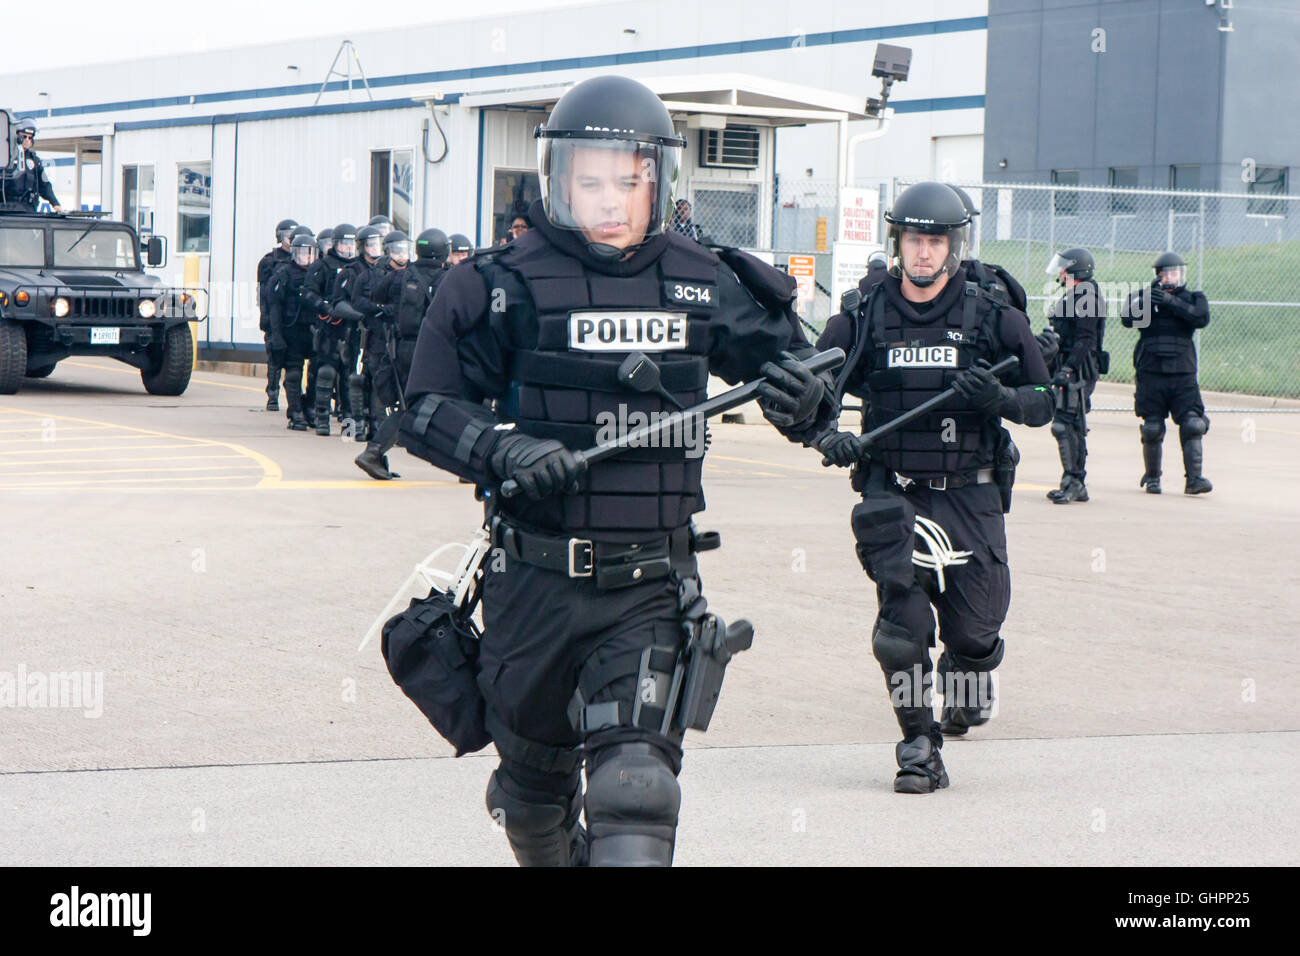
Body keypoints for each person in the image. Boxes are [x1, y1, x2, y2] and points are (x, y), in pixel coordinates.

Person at [397, 74, 832, 866]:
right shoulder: (497, 283)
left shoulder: (705, 280)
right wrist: (501, 449)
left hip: (648, 592)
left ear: (657, 181)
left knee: (637, 793)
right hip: (531, 592)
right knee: (533, 807)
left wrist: (806, 399)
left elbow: (803, 380)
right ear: (556, 180)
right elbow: (424, 408)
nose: (609, 199)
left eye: (627, 181)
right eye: (589, 181)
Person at [814, 181, 1053, 793]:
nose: (924, 252)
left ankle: (969, 679)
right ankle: (919, 745)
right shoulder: (863, 314)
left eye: (936, 240)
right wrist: (826, 436)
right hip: (893, 491)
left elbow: (1045, 400)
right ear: (897, 242)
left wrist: (997, 397)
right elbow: (810, 391)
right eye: (914, 239)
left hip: (970, 493)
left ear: (955, 245)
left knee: (974, 632)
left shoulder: (994, 315)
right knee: (901, 628)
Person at [357, 227, 450, 479]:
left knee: (410, 404)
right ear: (444, 251)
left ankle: (375, 452)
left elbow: (377, 295)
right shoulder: (447, 278)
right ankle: (373, 452)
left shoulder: (402, 275)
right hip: (433, 350)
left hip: (402, 349)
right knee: (435, 404)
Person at [1121, 252, 1212, 495]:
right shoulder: (1144, 297)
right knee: (1151, 427)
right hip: (1151, 371)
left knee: (1193, 424)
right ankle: (1153, 479)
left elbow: (1201, 318)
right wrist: (1149, 300)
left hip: (1183, 373)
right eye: (1167, 272)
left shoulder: (1193, 298)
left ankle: (1194, 480)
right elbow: (1127, 319)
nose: (1172, 276)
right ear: (1159, 275)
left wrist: (1172, 303)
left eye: (1176, 272)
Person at [1043, 248, 1106, 503]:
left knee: (1066, 424)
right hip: (1070, 365)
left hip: (1079, 369)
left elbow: (1085, 339)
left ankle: (1074, 481)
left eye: (1064, 266)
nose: (1060, 271)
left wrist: (1068, 369)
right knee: (1070, 425)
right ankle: (1073, 481)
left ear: (1076, 269)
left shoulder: (1086, 294)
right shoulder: (1077, 294)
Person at [353, 229, 411, 479]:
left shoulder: (411, 273)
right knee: (381, 391)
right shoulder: (373, 274)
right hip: (380, 339)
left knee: (397, 398)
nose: (401, 254)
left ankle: (378, 448)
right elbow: (360, 303)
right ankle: (373, 439)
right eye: (395, 249)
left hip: (398, 340)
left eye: (403, 248)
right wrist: (382, 309)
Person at [302, 222, 356, 436]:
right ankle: (321, 418)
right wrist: (324, 306)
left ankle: (350, 427)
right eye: (344, 243)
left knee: (351, 379)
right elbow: (308, 294)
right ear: (335, 244)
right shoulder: (322, 266)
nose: (348, 248)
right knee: (326, 373)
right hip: (329, 328)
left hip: (353, 330)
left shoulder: (358, 266)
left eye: (352, 243)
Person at [268, 234, 319, 430]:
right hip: (292, 330)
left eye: (310, 253)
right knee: (293, 373)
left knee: (319, 372)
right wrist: (277, 335)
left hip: (314, 330)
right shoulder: (284, 273)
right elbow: (274, 306)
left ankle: (311, 408)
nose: (306, 257)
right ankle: (295, 412)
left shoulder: (318, 272)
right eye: (302, 253)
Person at [257, 218, 298, 411]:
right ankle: (272, 393)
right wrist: (265, 315)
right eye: (287, 235)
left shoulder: (302, 259)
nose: (290, 239)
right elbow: (263, 292)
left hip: (294, 316)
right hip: (274, 315)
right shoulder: (269, 261)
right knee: (275, 355)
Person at [0, 119, 63, 213]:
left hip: (28, 210)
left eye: (30, 138)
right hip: (6, 209)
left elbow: (44, 184)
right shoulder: (4, 158)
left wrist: (55, 203)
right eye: (24, 136)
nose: (27, 140)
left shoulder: (35, 161)